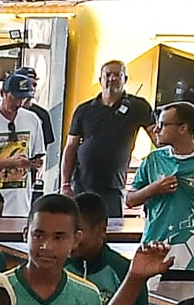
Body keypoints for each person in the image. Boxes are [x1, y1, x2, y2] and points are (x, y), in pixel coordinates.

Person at [128, 102, 194, 270]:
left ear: (183, 128)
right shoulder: (153, 159)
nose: (155, 129)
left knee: (188, 293)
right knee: (150, 294)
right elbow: (130, 200)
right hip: (154, 243)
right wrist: (154, 188)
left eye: (162, 125)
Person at [60, 58, 153, 202]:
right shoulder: (84, 109)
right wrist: (65, 184)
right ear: (100, 80)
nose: (112, 78)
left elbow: (158, 137)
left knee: (112, 224)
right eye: (108, 75)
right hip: (81, 185)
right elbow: (71, 146)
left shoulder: (138, 107)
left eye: (117, 75)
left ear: (125, 79)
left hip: (113, 188)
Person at [0, 73, 50, 222]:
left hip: (21, 201)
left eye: (23, 98)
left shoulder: (33, 120)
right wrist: (10, 163)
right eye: (14, 97)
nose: (18, 103)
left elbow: (38, 155)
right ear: (3, 93)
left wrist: (34, 163)